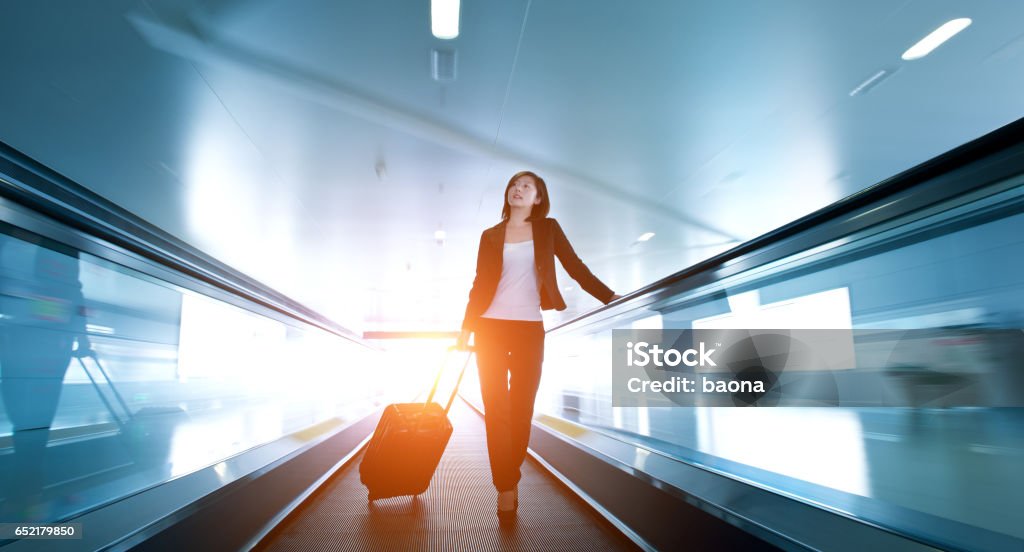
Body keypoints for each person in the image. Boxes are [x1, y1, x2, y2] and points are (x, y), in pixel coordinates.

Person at [455, 171, 621, 518]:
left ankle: (508, 472)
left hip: (530, 328)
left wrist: (609, 297)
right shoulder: (490, 235)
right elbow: (480, 283)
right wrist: (465, 328)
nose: (518, 189)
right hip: (490, 328)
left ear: (538, 198)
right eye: (514, 184)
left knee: (521, 407)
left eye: (526, 186)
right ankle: (505, 485)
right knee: (496, 408)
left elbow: (575, 267)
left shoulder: (548, 229)